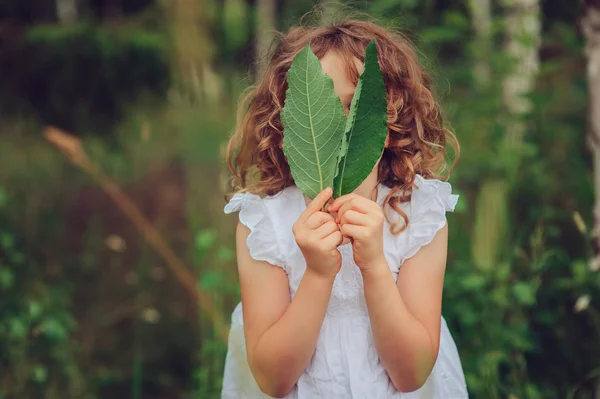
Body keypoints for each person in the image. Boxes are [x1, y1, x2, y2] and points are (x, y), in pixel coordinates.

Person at [221, 17, 468, 399]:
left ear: (386, 121)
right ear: (289, 124)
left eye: (355, 109)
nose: (336, 132)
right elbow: (272, 380)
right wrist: (318, 274)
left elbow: (413, 374)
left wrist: (373, 265)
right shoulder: (264, 224)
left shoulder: (416, 213)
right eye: (317, 113)